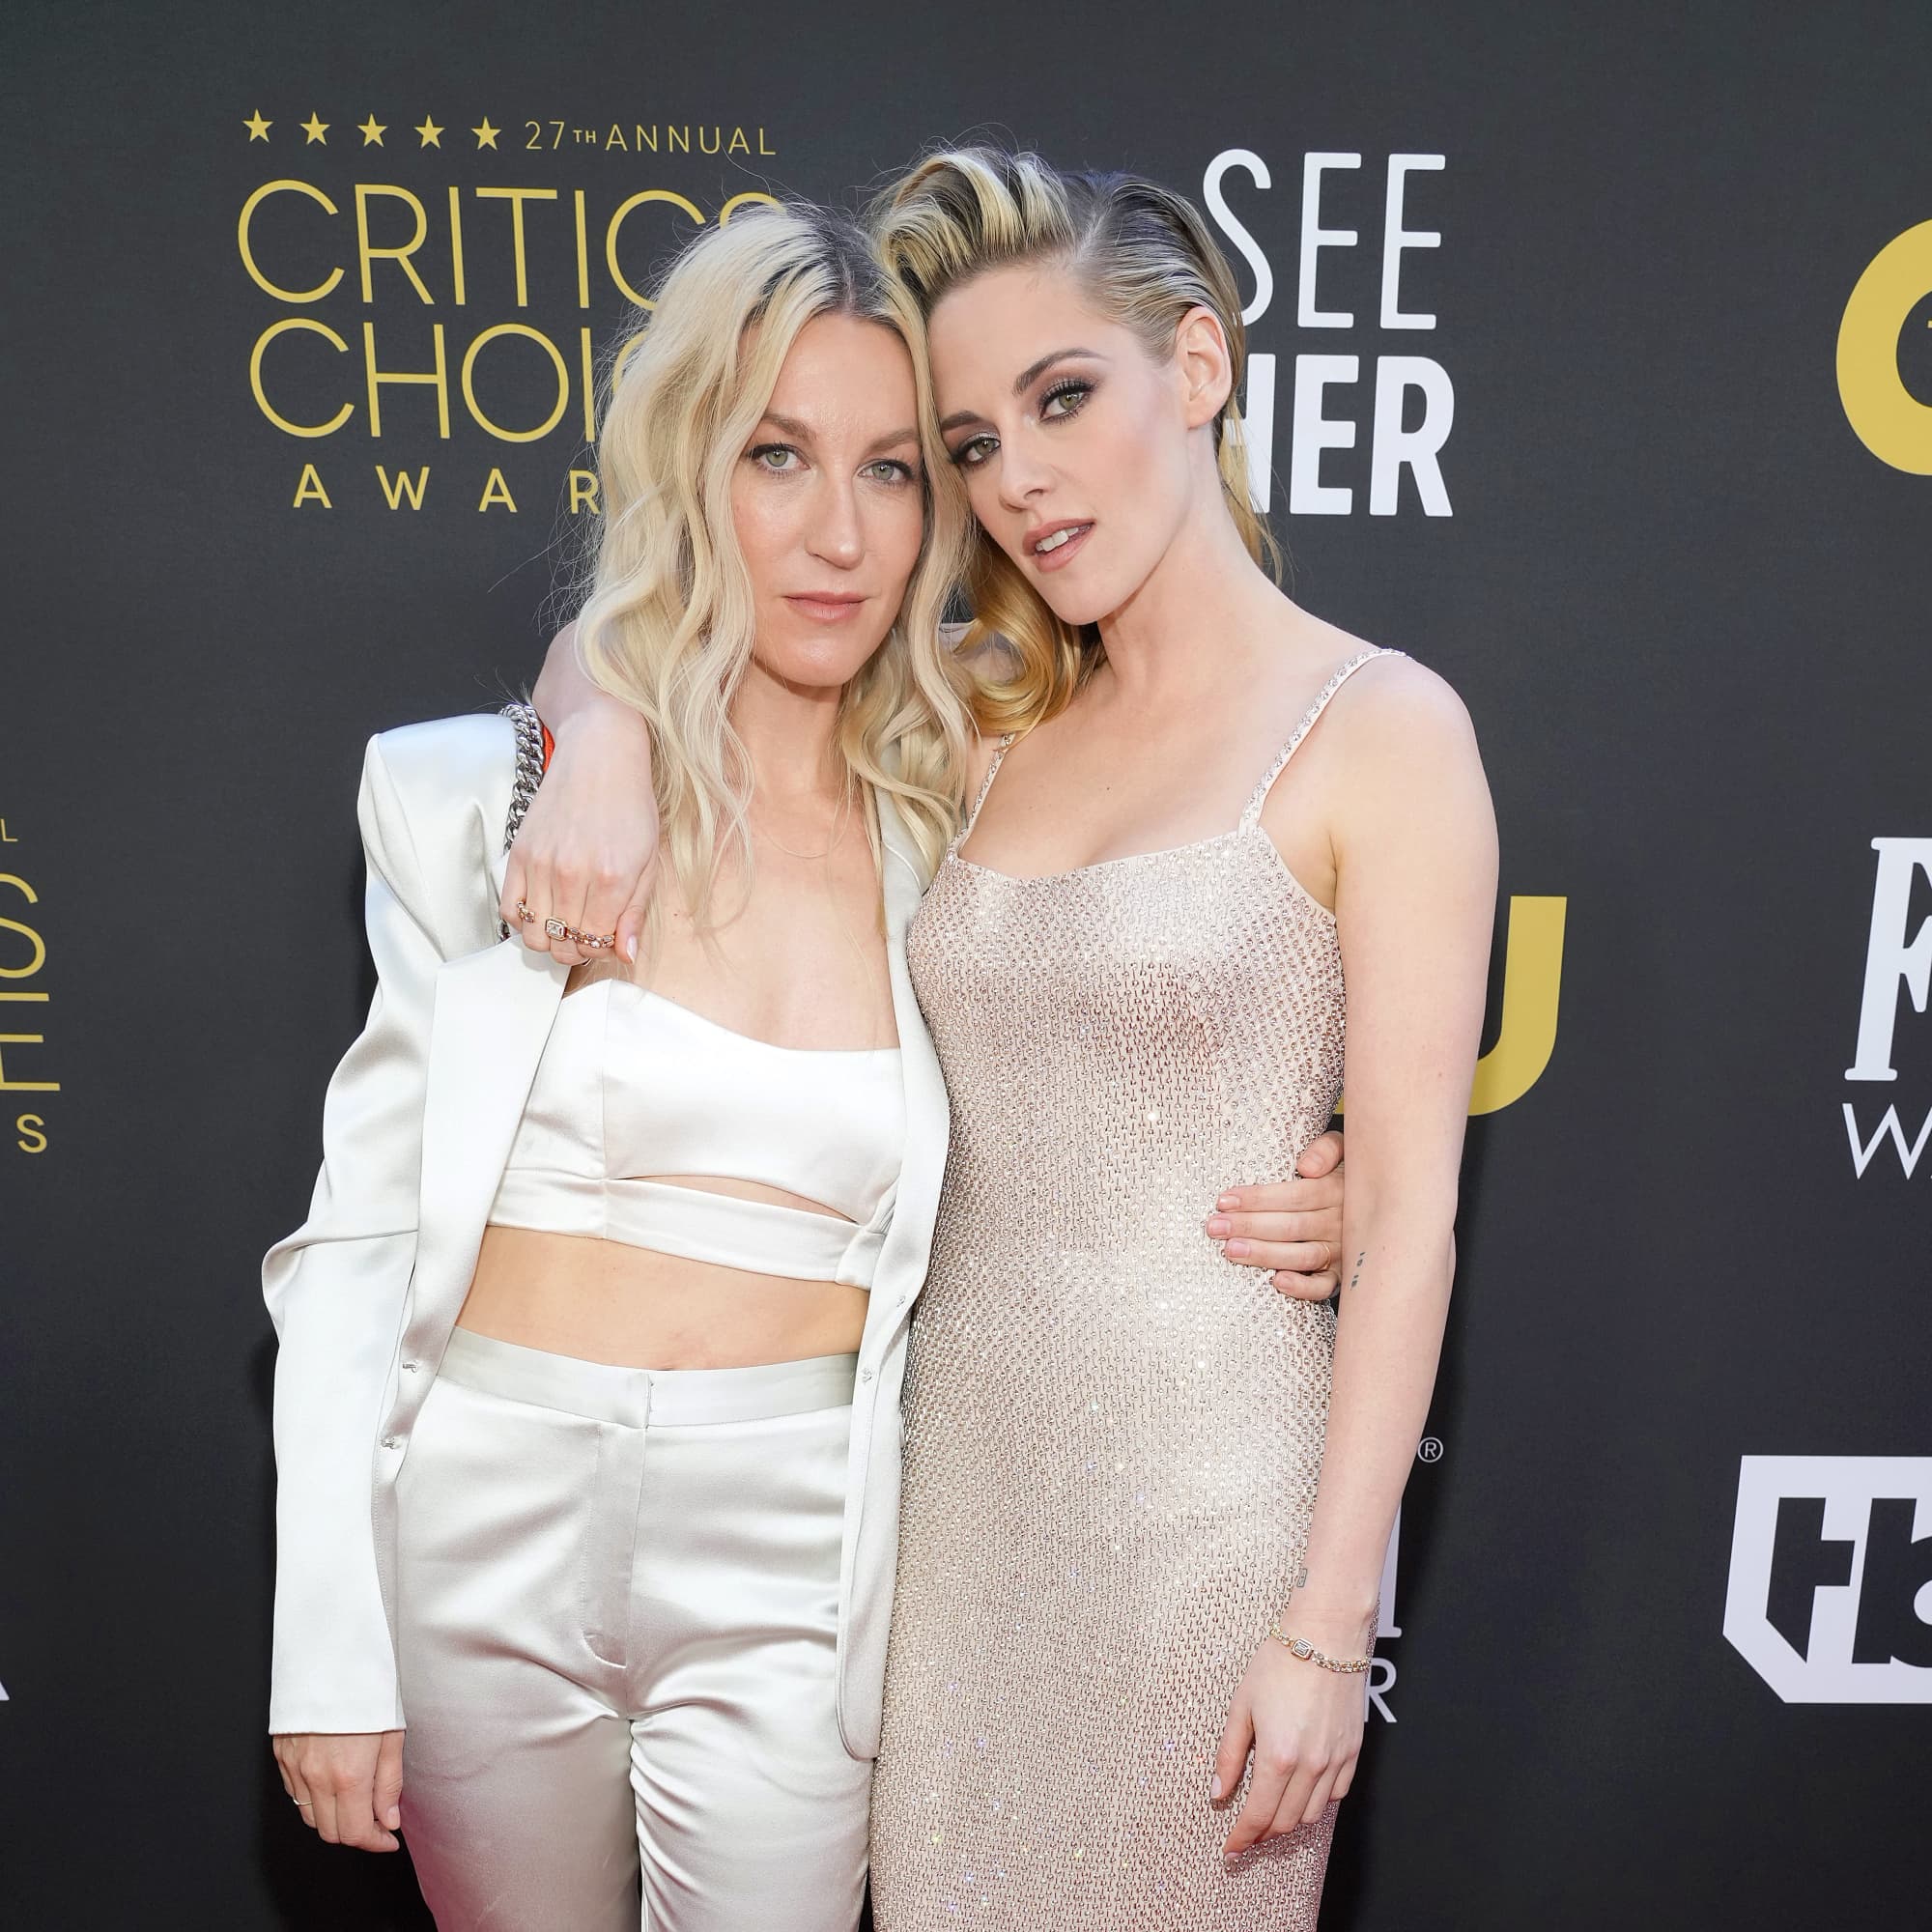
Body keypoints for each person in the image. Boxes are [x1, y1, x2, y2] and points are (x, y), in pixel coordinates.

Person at [264, 201, 1347, 1932]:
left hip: (799, 1564)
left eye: (897, 469)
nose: (841, 533)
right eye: (779, 456)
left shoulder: (968, 829)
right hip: (472, 1534)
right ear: (695, 468)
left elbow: (1135, 1019)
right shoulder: (491, 802)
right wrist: (324, 1643)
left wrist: (1319, 1178)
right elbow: (363, 1238)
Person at [517, 147, 1495, 1928]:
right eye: (970, 443)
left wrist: (1327, 1624)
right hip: (945, 1528)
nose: (1019, 480)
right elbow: (662, 636)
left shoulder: (1385, 730)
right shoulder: (976, 713)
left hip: (1208, 1523)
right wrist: (596, 735)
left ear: (1197, 367)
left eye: (1063, 399)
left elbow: (1415, 1221)